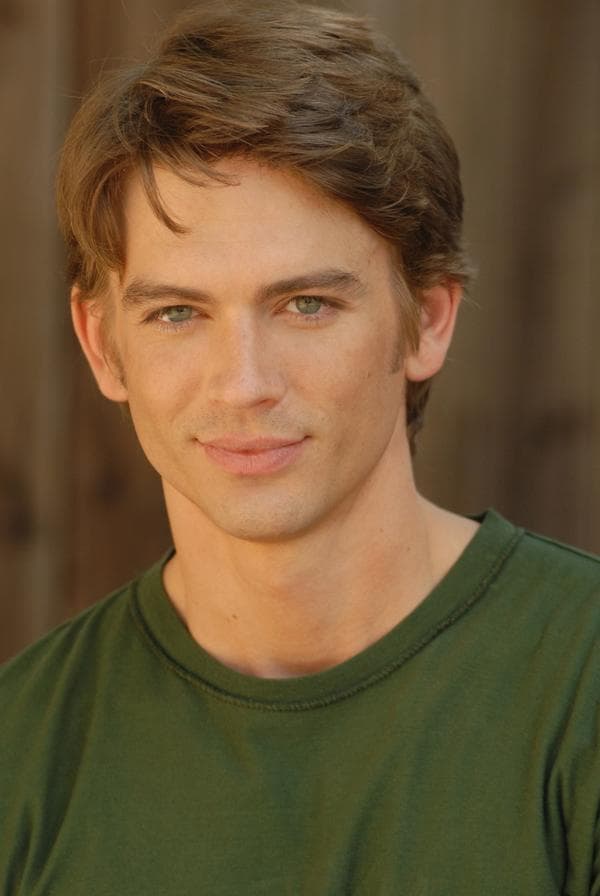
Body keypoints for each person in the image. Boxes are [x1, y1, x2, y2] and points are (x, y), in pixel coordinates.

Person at [1, 1, 599, 892]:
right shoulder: (21, 750)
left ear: (428, 318)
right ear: (101, 345)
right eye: (178, 313)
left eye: (306, 305)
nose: (243, 383)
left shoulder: (581, 681)